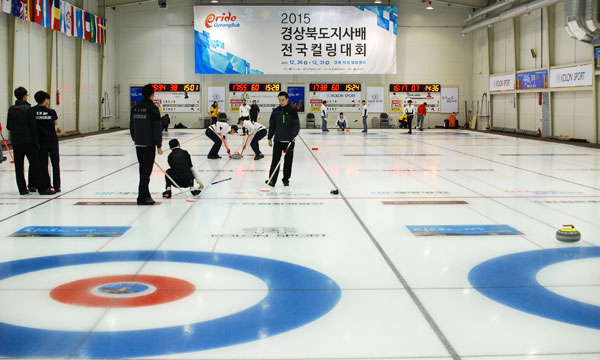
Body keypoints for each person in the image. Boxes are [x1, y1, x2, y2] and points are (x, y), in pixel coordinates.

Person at [6, 87, 54, 195]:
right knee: (35, 165)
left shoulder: (11, 109)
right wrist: (36, 142)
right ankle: (42, 188)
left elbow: (8, 126)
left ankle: (22, 189)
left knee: (19, 166)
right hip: (28, 141)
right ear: (24, 96)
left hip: (16, 141)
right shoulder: (28, 109)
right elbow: (33, 127)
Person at [130, 84, 163, 205]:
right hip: (149, 144)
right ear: (152, 94)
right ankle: (142, 197)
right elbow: (156, 128)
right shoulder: (153, 109)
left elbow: (131, 126)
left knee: (142, 170)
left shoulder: (135, 108)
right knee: (146, 172)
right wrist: (158, 145)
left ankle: (145, 194)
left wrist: (135, 139)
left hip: (139, 143)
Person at [266, 91, 300, 187]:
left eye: (283, 100)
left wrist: (293, 136)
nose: (281, 102)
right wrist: (269, 137)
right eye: (279, 100)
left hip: (289, 141)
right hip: (278, 141)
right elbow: (272, 125)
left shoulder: (292, 110)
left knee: (288, 162)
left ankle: (286, 179)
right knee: (275, 161)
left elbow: (296, 125)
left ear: (287, 99)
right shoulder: (276, 111)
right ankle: (272, 180)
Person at [31, 91, 61, 192]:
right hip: (52, 140)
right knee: (55, 164)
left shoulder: (32, 111)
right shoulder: (51, 112)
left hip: (41, 141)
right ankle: (57, 186)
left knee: (43, 164)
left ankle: (47, 185)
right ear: (45, 100)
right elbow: (55, 123)